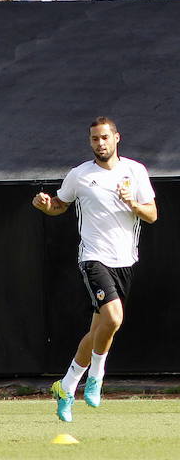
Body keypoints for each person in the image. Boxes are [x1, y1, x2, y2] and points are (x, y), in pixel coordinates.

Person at [32, 116, 157, 423]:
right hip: (93, 258)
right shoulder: (80, 175)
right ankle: (96, 378)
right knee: (114, 317)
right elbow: (60, 204)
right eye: (94, 139)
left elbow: (152, 214)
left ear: (116, 138)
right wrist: (45, 205)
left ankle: (66, 386)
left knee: (100, 330)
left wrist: (133, 204)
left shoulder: (135, 171)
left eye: (104, 137)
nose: (99, 143)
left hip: (124, 260)